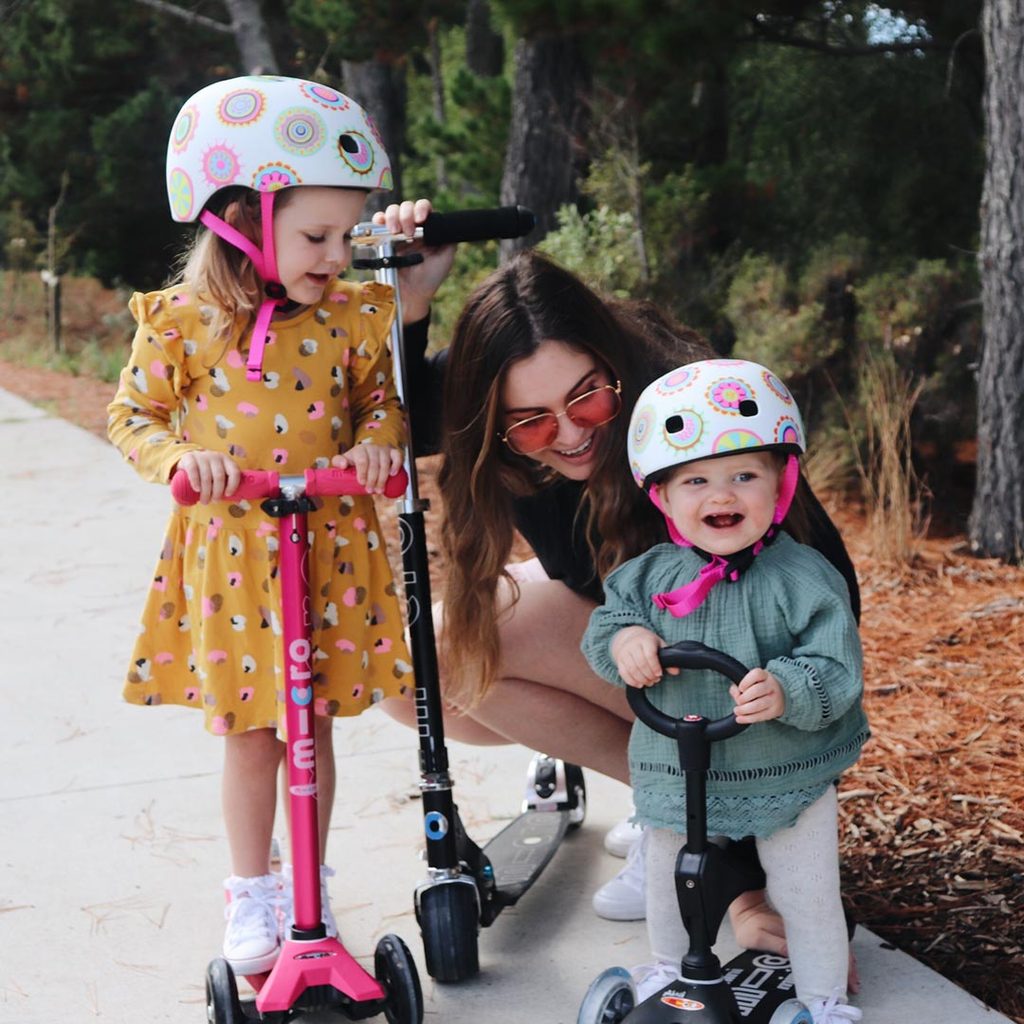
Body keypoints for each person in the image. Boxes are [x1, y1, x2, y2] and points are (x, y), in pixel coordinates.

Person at [376, 212, 861, 948]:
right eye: (533, 423)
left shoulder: (684, 410)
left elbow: (822, 594)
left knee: (459, 655)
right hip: (637, 629)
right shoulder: (500, 419)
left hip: (751, 676)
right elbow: (401, 424)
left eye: (588, 399)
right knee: (411, 673)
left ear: (616, 368)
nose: (571, 434)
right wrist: (411, 303)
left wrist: (749, 890)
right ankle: (671, 808)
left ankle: (715, 833)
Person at [107, 75, 416, 976]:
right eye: (317, 237)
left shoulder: (351, 317)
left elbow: (382, 408)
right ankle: (251, 888)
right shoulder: (183, 322)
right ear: (243, 218)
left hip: (327, 544)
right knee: (252, 732)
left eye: (345, 236)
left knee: (312, 725)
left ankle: (308, 883)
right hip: (234, 555)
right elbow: (133, 417)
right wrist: (181, 459)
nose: (336, 255)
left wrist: (374, 447)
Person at [581, 358, 869, 1022]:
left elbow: (837, 667)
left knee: (804, 889)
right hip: (675, 770)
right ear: (663, 494)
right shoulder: (646, 576)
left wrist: (788, 689)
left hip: (785, 773)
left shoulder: (804, 577)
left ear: (781, 483)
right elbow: (607, 627)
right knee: (668, 880)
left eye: (745, 475)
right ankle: (668, 969)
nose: (722, 495)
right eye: (697, 480)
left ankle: (823, 998)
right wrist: (626, 643)